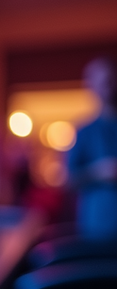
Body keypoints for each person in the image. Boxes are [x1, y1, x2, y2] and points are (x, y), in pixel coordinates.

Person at [67, 57, 117, 240]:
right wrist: (98, 172)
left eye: (112, 80)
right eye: (103, 82)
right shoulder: (84, 132)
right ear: (91, 86)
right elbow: (69, 180)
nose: (109, 87)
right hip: (97, 225)